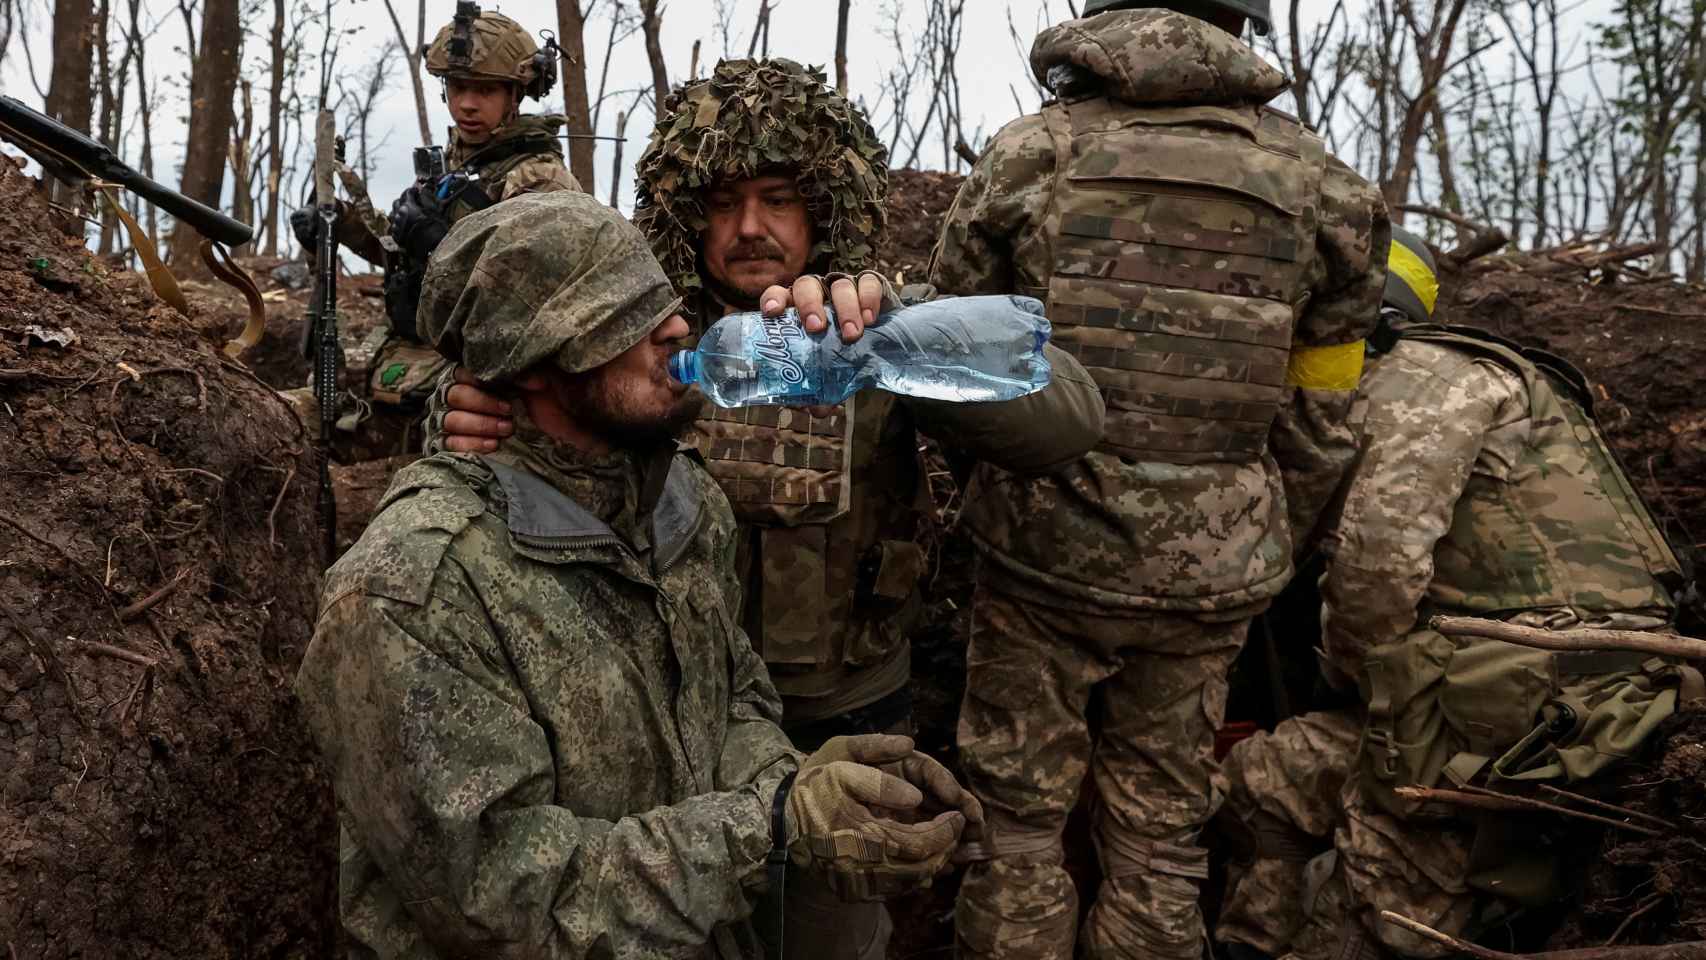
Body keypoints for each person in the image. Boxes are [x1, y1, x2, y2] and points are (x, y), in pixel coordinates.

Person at [432, 58, 1107, 959]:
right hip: (674, 725)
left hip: (847, 711)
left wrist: (895, 331)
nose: (750, 228)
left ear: (825, 203)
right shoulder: (630, 345)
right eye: (721, 203)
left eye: (780, 197)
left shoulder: (869, 322)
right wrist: (460, 410)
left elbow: (1070, 417)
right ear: (682, 211)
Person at [292, 191, 984, 959]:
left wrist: (806, 789)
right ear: (528, 363)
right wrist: (772, 828)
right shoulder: (415, 590)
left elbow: (732, 705)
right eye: (621, 317)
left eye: (662, 302)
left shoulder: (680, 500)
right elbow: (501, 902)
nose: (678, 327)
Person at [925, 1, 1391, 956]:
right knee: (1161, 835)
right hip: (1211, 582)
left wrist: (1005, 490)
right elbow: (1321, 416)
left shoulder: (1033, 153)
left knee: (1012, 827)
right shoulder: (1324, 186)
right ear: (1240, 25)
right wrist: (1259, 534)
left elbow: (953, 363)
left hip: (1039, 558)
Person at [1212, 226, 1698, 960]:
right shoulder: (1444, 375)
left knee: (1378, 912)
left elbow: (1377, 569)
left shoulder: (1425, 382)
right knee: (1259, 782)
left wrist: (1350, 677)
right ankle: (1249, 940)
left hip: (1520, 693)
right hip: (1506, 681)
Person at [286, 4, 580, 457]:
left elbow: (541, 299)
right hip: (405, 354)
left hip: (478, 379)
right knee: (300, 419)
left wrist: (441, 244)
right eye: (459, 87)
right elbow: (403, 258)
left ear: (516, 93)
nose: (467, 103)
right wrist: (341, 226)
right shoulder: (451, 166)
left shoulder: (538, 177)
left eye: (484, 90)